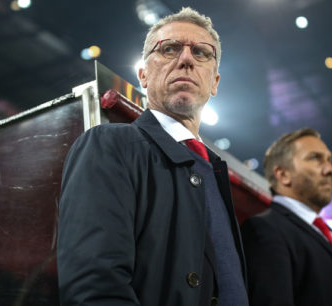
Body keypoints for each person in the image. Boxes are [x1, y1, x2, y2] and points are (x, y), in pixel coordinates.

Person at [57, 7, 248, 306]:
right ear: (143, 76)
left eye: (201, 53)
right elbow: (95, 286)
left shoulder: (215, 171)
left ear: (215, 83)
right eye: (169, 49)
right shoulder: (110, 145)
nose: (185, 60)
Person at [241, 128, 332, 306]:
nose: (331, 169)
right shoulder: (265, 230)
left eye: (329, 160)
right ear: (283, 175)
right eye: (315, 158)